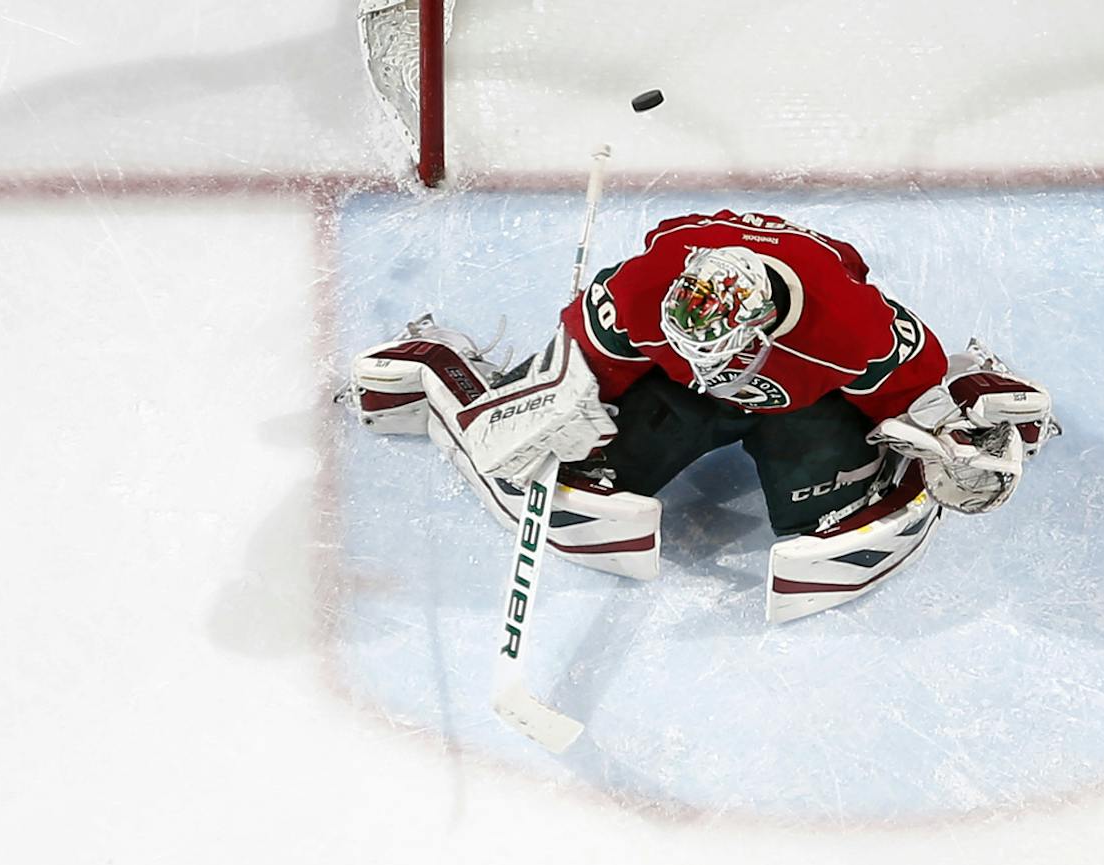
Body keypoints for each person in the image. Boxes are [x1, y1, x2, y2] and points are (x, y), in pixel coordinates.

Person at [349, 209, 1056, 621]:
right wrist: (564, 406)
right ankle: (441, 360)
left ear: (768, 329)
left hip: (808, 406)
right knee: (601, 464)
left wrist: (955, 439)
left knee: (821, 506)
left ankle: (984, 378)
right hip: (673, 396)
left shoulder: (852, 329)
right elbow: (573, 362)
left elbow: (919, 397)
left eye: (723, 358)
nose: (709, 369)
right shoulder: (638, 293)